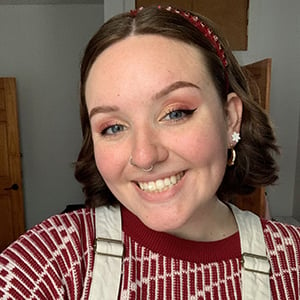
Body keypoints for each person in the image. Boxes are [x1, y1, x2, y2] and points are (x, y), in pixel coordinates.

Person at [0, 5, 299, 299]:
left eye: (175, 113)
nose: (144, 156)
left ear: (230, 118)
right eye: (113, 127)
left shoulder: (292, 263)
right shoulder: (53, 257)